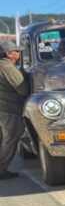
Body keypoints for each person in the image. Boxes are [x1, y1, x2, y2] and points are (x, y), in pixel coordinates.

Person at [0, 40, 29, 179]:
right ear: (9, 54)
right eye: (17, 51)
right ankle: (1, 170)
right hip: (8, 110)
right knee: (10, 140)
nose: (19, 53)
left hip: (3, 109)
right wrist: (23, 73)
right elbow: (23, 89)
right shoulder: (7, 68)